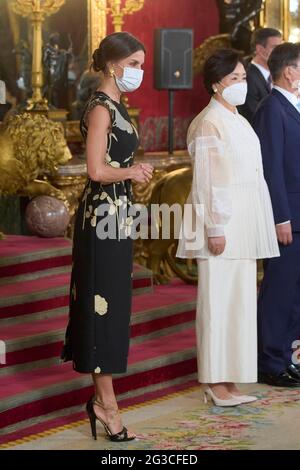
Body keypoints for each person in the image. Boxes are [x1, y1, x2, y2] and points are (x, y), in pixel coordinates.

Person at [60, 32, 154, 441]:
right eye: (134, 64)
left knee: (115, 308)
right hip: (101, 216)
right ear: (114, 65)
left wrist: (133, 171)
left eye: (141, 64)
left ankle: (105, 402)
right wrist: (132, 172)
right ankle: (106, 406)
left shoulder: (117, 105)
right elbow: (95, 171)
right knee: (103, 308)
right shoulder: (100, 107)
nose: (140, 72)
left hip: (117, 217)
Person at [176, 49, 279, 406]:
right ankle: (214, 381)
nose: (242, 84)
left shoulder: (237, 118)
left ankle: (231, 380)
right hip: (222, 224)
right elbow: (208, 180)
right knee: (218, 302)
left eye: (243, 77)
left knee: (239, 302)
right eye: (235, 78)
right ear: (217, 82)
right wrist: (215, 226)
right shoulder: (208, 122)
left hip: (244, 223)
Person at [253, 42, 300, 387]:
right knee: (279, 290)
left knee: (295, 292)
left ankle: (285, 355)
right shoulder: (272, 108)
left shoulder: (292, 106)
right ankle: (269, 361)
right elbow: (271, 168)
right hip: (288, 219)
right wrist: (279, 217)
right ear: (290, 71)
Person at [238, 27, 282, 122]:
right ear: (260, 49)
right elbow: (255, 116)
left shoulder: (280, 74)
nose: (280, 53)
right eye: (275, 48)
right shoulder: (246, 77)